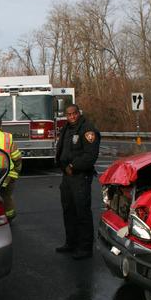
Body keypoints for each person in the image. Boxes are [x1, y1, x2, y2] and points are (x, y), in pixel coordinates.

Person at [54, 104, 100, 260]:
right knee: (69, 210)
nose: (71, 117)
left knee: (82, 212)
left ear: (79, 113)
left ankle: (85, 248)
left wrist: (74, 166)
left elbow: (90, 155)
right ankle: (71, 243)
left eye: (74, 114)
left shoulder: (87, 129)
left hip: (80, 176)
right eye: (68, 114)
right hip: (67, 176)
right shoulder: (66, 128)